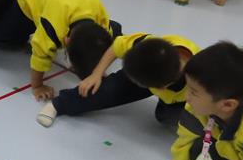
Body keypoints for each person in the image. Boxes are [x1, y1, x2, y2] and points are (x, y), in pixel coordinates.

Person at [37, 32, 199, 128]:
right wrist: (96, 74)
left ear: (160, 88)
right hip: (152, 74)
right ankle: (58, 104)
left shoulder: (201, 79)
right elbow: (117, 46)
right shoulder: (145, 47)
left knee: (170, 119)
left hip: (184, 98)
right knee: (109, 89)